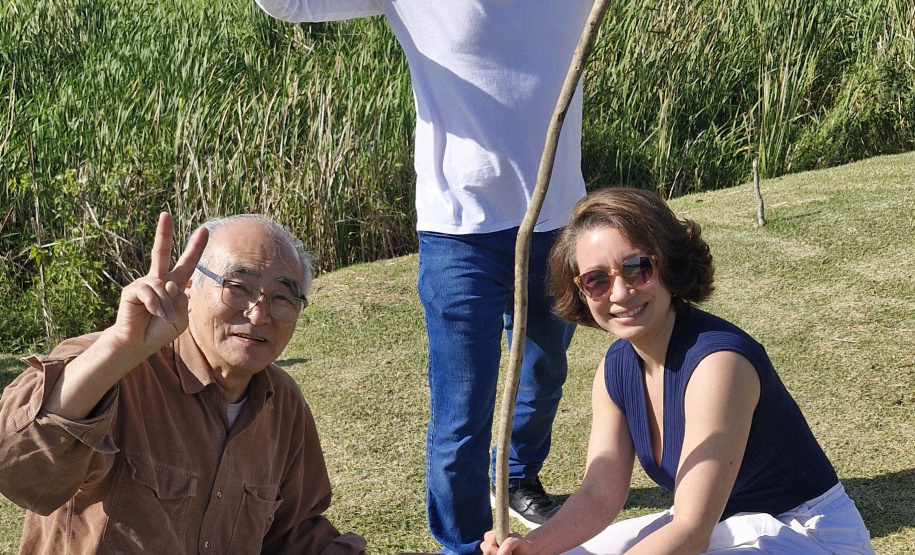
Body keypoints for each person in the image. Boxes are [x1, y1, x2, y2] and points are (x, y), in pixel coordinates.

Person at [253, 2, 592, 553]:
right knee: (461, 410)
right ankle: (461, 543)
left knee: (544, 371)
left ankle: (518, 477)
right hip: (458, 233)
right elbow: (286, 4)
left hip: (559, 225)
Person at [481, 187, 875, 555]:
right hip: (729, 529)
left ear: (668, 263)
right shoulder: (614, 371)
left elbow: (690, 529)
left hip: (809, 534)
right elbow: (598, 497)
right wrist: (532, 547)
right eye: (596, 280)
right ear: (581, 291)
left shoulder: (718, 365)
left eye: (637, 268)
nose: (619, 293)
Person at [0, 213, 367, 554]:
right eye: (238, 287)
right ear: (190, 286)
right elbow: (15, 470)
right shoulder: (113, 365)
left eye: (282, 298)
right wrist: (118, 348)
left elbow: (293, 534)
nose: (258, 314)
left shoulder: (282, 402)